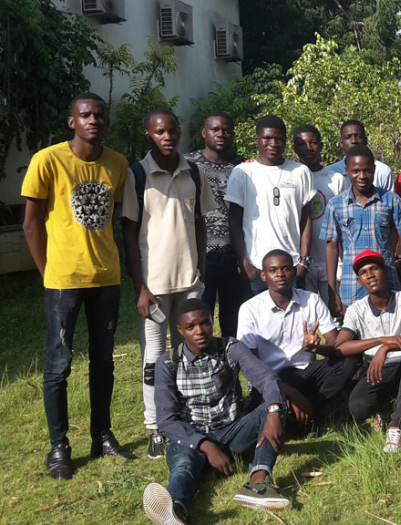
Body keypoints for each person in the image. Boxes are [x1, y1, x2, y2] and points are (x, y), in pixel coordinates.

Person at [22, 92, 136, 480]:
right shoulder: (48, 160)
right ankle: (59, 447)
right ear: (72, 121)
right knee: (59, 365)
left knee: (104, 362)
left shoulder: (117, 163)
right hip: (63, 282)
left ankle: (102, 435)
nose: (93, 120)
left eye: (99, 115)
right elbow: (31, 224)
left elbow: (113, 215)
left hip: (105, 278)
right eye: (85, 115)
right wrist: (48, 274)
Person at [142, 299, 290, 525]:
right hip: (190, 439)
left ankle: (258, 483)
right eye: (191, 327)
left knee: (274, 405)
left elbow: (265, 377)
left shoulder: (229, 348)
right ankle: (176, 510)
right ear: (180, 330)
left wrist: (273, 411)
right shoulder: (169, 362)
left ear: (213, 322)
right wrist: (205, 445)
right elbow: (167, 421)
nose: (200, 331)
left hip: (232, 433)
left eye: (205, 323)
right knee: (183, 466)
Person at [123, 108, 216, 460]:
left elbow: (199, 223)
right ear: (148, 134)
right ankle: (155, 427)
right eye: (160, 131)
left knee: (187, 355)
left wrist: (201, 268)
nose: (168, 137)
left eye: (172, 130)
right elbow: (129, 233)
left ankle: (185, 419)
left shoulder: (193, 171)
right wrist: (140, 287)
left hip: (189, 282)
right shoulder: (138, 174)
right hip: (155, 287)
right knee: (154, 359)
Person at [317, 250, 401, 452]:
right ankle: (386, 409)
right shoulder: (356, 309)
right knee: (358, 407)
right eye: (363, 272)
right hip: (377, 369)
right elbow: (340, 346)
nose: (370, 275)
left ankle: (396, 424)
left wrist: (386, 347)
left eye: (374, 269)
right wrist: (378, 341)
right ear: (359, 281)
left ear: (385, 272)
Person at [237, 249, 359, 426]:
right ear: (263, 276)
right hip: (271, 379)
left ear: (294, 272)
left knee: (349, 360)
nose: (280, 274)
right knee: (274, 417)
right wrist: (290, 393)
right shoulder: (250, 309)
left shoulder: (311, 300)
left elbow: (337, 346)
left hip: (306, 373)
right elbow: (250, 364)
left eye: (286, 269)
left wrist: (317, 349)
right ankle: (310, 411)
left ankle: (309, 409)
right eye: (273, 270)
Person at [226, 115, 316, 296]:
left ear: (285, 141)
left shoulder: (300, 172)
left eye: (279, 138)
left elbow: (306, 219)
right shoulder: (243, 172)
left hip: (291, 266)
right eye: (267, 138)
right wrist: (245, 264)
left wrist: (304, 261)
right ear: (256, 140)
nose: (273, 144)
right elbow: (234, 221)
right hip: (256, 267)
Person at [320, 145, 401, 318]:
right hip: (351, 286)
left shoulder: (391, 200)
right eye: (356, 171)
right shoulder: (335, 205)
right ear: (347, 171)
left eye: (367, 171)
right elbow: (331, 247)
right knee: (354, 332)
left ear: (374, 170)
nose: (362, 176)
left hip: (388, 283)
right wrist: (332, 291)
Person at [184, 112, 247, 336]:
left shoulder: (243, 166)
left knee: (234, 319)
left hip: (235, 256)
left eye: (226, 130)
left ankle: (231, 356)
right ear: (204, 132)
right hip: (202, 256)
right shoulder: (188, 164)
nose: (221, 134)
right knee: (202, 316)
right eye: (215, 129)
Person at [293, 124, 346, 306]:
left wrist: (342, 263)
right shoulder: (290, 178)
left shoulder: (335, 179)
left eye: (313, 142)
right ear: (294, 148)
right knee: (305, 316)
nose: (308, 148)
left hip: (331, 263)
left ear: (321, 146)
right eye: (302, 144)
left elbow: (343, 223)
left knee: (336, 313)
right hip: (301, 263)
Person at [326, 119, 395, 193]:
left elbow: (389, 199)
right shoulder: (330, 173)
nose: (354, 141)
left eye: (358, 136)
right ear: (341, 143)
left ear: (366, 140)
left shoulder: (383, 171)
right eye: (348, 137)